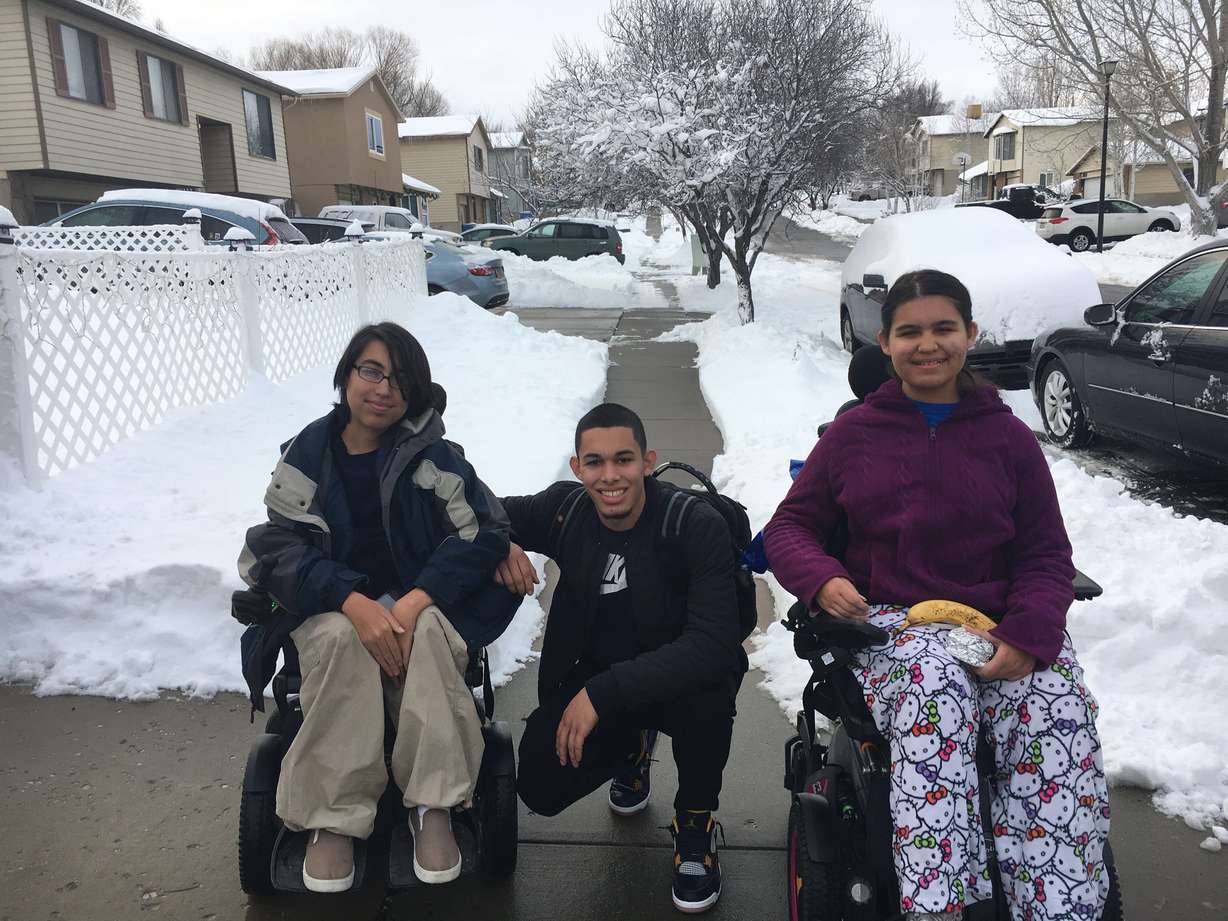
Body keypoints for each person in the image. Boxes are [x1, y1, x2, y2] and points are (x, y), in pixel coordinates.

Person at [764, 270, 1110, 921]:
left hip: (1001, 620)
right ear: (886, 343)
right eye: (910, 331)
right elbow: (790, 528)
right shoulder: (853, 435)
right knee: (936, 693)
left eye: (944, 328)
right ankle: (942, 905)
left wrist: (1029, 633)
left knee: (1055, 704)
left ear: (969, 334)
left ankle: (1061, 905)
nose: (928, 344)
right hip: (896, 623)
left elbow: (1045, 553)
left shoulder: (1007, 437)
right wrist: (820, 576)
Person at [238, 322, 518, 892]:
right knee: (342, 637)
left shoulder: (433, 458)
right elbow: (275, 546)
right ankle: (331, 818)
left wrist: (413, 601)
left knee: (432, 631)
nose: (383, 388)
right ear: (346, 375)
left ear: (414, 393)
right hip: (331, 607)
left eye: (400, 379)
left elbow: (482, 532)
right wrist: (351, 600)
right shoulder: (307, 455)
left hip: (419, 606)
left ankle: (433, 805)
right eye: (371, 371)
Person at [494, 403, 745, 913]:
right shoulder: (566, 511)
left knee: (709, 698)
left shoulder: (692, 524)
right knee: (540, 784)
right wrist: (496, 542)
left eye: (624, 460)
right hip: (600, 676)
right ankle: (631, 749)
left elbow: (712, 643)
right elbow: (483, 509)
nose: (610, 476)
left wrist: (601, 694)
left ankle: (695, 821)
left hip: (679, 682)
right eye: (595, 462)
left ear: (648, 461)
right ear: (577, 467)